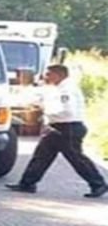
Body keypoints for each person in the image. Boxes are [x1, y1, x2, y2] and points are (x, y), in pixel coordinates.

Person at [6, 64, 107, 198]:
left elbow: (66, 111)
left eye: (48, 74)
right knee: (41, 156)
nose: (45, 77)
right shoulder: (55, 88)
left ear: (58, 75)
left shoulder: (67, 90)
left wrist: (45, 111)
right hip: (55, 127)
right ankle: (27, 183)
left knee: (76, 158)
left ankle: (98, 184)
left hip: (67, 127)